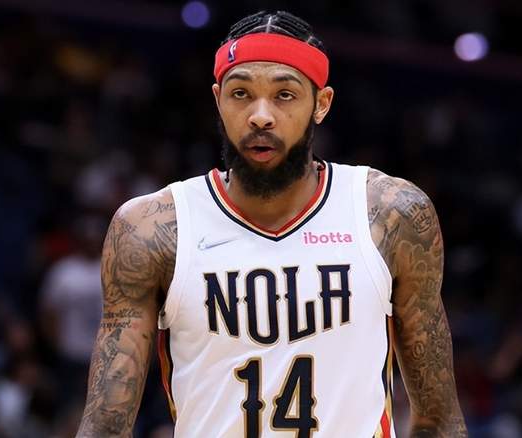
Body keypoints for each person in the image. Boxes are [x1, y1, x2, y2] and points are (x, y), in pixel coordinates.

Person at [76, 10, 467, 438]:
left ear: (321, 103)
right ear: (218, 100)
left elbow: (439, 421)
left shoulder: (391, 214)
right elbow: (105, 427)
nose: (260, 115)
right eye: (241, 93)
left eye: (284, 94)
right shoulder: (152, 229)